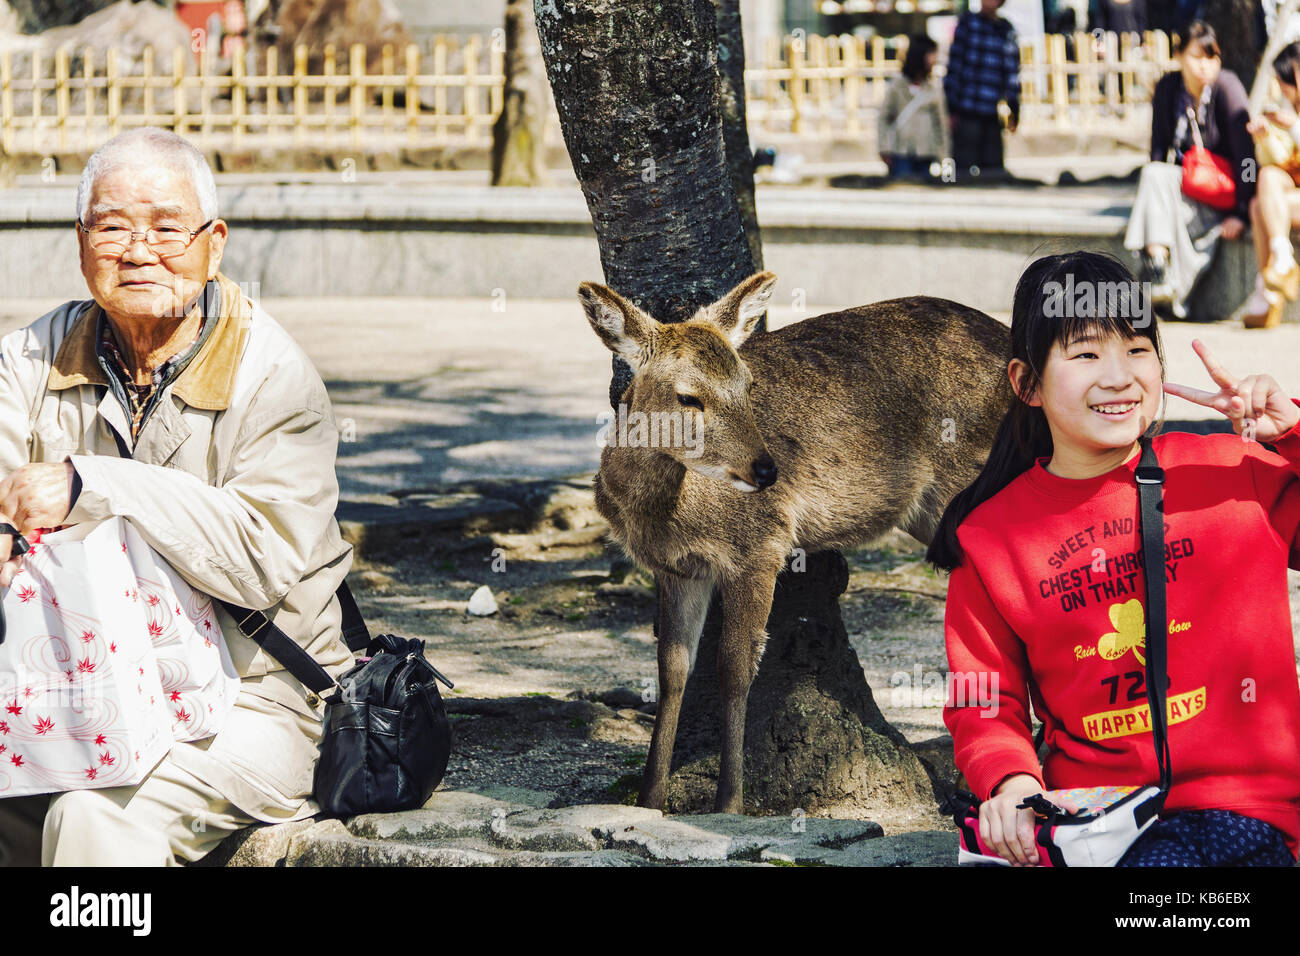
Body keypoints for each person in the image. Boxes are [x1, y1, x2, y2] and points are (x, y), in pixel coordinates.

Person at [0, 127, 354, 866]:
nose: (137, 251)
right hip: (70, 687)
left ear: (213, 244)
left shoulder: (274, 376)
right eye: (112, 227)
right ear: (80, 241)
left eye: (165, 228)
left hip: (250, 699)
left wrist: (93, 485)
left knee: (92, 816)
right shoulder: (32, 357)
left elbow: (262, 558)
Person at [930, 250, 1300, 867]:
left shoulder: (1234, 473)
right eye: (1085, 354)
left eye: (1136, 349)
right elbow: (982, 696)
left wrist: (1291, 434)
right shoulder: (990, 537)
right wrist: (1011, 783)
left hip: (1247, 814)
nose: (1119, 376)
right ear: (1026, 383)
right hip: (1100, 823)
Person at [1124, 20, 1253, 320]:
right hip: (1186, 186)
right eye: (1196, 56)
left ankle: (1159, 275)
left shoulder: (1228, 88)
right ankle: (1157, 264)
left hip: (1225, 193)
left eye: (1212, 57)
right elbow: (1157, 151)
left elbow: (1248, 159)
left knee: (1156, 179)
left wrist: (1242, 211)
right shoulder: (1169, 88)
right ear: (1179, 55)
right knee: (1154, 172)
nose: (1204, 66)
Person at [1240, 41, 1300, 328]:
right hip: (1293, 193)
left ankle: (1268, 294)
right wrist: (1263, 137)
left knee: (1262, 206)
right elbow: (1277, 162)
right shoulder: (1289, 107)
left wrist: (1294, 127)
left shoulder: (1292, 116)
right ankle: (1282, 262)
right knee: (1261, 192)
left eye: (1284, 78)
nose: (1280, 85)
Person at [943, 0, 1021, 180]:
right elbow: (955, 67)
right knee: (962, 170)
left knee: (993, 171)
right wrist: (951, 107)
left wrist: (1014, 105)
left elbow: (1012, 73)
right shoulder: (968, 24)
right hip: (967, 108)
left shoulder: (1006, 30)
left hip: (991, 111)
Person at [879, 35, 950, 182]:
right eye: (932, 54)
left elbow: (941, 125)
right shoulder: (897, 87)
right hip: (900, 151)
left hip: (926, 151)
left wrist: (945, 158)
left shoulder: (933, 89)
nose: (935, 60)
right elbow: (883, 118)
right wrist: (883, 147)